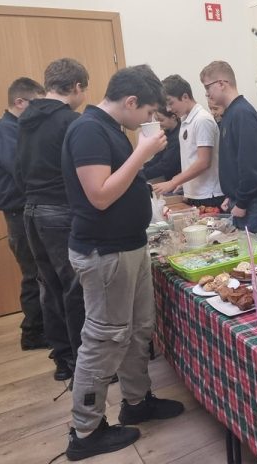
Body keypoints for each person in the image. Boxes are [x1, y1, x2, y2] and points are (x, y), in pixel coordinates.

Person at [62, 65, 184, 460]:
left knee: (138, 330)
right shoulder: (88, 130)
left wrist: (140, 159)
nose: (149, 120)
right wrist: (142, 153)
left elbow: (121, 181)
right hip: (105, 253)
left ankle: (137, 400)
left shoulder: (110, 129)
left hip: (128, 247)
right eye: (147, 112)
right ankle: (85, 430)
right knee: (103, 340)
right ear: (130, 102)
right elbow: (99, 195)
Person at [16, 58, 88, 382]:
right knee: (75, 289)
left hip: (31, 211)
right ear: (76, 87)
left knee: (49, 289)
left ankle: (63, 360)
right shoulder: (70, 121)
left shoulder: (25, 119)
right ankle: (84, 364)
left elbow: (19, 170)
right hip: (59, 211)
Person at [202, 60, 257, 245]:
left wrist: (241, 202)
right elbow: (233, 162)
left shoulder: (242, 114)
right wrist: (231, 195)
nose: (207, 93)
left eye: (208, 87)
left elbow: (251, 166)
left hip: (253, 203)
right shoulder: (230, 114)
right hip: (242, 200)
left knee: (256, 257)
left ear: (222, 83)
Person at [0, 77, 46, 350]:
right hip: (18, 212)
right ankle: (33, 333)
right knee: (33, 274)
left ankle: (40, 328)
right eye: (36, 104)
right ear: (19, 102)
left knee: (38, 272)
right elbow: (21, 169)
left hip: (24, 210)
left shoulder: (16, 128)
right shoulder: (6, 131)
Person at [152, 75, 224, 208]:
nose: (168, 109)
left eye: (170, 103)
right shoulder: (185, 119)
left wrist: (173, 182)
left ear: (185, 97)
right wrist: (184, 182)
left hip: (208, 195)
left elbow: (203, 162)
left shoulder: (202, 119)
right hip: (195, 193)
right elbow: (191, 159)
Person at [142, 107, 181, 182]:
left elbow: (166, 165)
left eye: (161, 120)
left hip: (177, 180)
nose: (158, 123)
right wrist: (143, 167)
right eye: (157, 120)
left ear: (173, 117)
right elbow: (158, 156)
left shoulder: (178, 137)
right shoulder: (167, 133)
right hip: (169, 177)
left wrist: (141, 174)